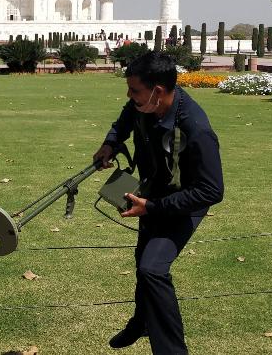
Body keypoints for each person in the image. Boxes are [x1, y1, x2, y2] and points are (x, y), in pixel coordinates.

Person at [93, 52, 224, 353]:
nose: (129, 95)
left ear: (158, 91)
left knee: (152, 268)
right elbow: (127, 114)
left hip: (185, 202)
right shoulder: (145, 104)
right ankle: (142, 323)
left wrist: (151, 208)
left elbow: (212, 190)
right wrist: (111, 142)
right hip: (152, 193)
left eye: (134, 90)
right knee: (143, 262)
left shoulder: (196, 128)